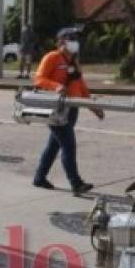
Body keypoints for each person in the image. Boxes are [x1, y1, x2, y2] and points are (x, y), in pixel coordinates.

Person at [32, 26, 103, 195]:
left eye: (76, 39)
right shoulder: (52, 58)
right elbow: (38, 79)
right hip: (56, 109)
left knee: (54, 145)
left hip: (72, 109)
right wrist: (56, 86)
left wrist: (94, 107)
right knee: (68, 145)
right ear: (61, 41)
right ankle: (76, 183)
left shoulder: (74, 62)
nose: (75, 42)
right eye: (71, 38)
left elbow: (81, 87)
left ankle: (39, 178)